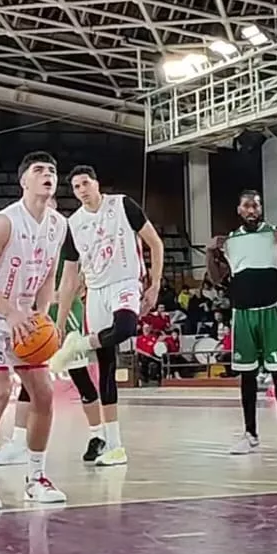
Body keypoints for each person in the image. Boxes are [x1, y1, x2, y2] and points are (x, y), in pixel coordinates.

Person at [0, 151, 67, 510]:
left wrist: (41, 316)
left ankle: (36, 478)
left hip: (22, 317)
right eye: (39, 170)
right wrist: (10, 313)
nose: (47, 175)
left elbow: (49, 276)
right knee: (0, 395)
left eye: (52, 170)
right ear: (24, 181)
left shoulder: (58, 225)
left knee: (44, 394)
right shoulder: (3, 222)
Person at [49, 166, 164, 467]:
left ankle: (81, 344)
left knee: (125, 327)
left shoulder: (123, 204)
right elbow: (69, 277)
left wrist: (154, 284)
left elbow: (156, 243)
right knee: (107, 367)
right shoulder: (73, 224)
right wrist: (60, 322)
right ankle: (115, 446)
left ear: (97, 183)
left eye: (85, 183)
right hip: (95, 294)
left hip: (125, 281)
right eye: (75, 187)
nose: (82, 190)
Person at [0, 196, 106, 467]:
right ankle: (19, 442)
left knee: (79, 375)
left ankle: (98, 435)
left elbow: (72, 283)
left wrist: (62, 318)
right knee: (29, 381)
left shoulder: (64, 237)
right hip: (37, 314)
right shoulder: (24, 235)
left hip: (64, 312)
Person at [205, 190, 277, 455]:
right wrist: (208, 252)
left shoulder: (274, 234)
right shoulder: (230, 241)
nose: (251, 210)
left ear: (260, 209)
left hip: (270, 311)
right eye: (247, 206)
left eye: (256, 206)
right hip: (242, 314)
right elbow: (216, 279)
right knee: (246, 375)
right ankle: (250, 434)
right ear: (239, 210)